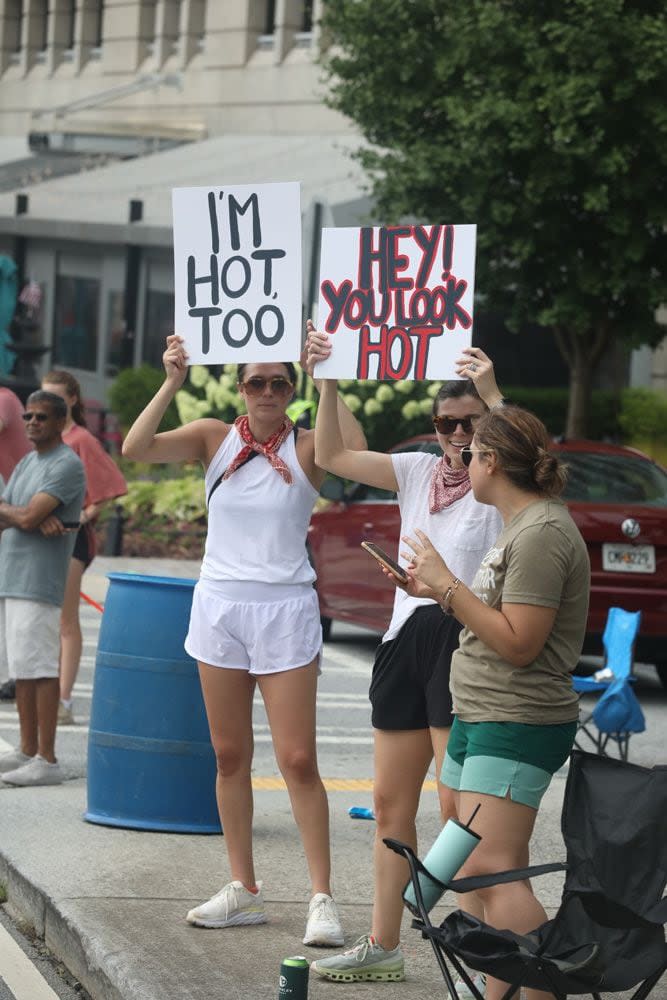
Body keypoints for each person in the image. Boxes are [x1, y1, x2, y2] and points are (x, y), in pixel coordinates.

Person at [121, 323, 366, 946]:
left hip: (285, 609)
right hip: (221, 606)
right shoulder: (213, 438)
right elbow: (135, 447)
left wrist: (327, 377)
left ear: (290, 389)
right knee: (229, 755)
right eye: (256, 381)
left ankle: (322, 897)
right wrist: (172, 380)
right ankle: (245, 889)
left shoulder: (311, 444)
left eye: (279, 382)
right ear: (240, 386)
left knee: (299, 759)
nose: (267, 391)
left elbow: (355, 454)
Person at [310, 340, 504, 985]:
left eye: (470, 424)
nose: (456, 435)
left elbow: (540, 459)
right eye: (446, 424)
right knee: (392, 804)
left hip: (463, 637)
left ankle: (482, 954)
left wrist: (493, 394)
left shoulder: (503, 478)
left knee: (458, 809)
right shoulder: (420, 471)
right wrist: (330, 378)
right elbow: (333, 455)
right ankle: (383, 944)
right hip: (403, 636)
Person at [398, 405, 590, 1000]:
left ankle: (552, 982)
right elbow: (497, 621)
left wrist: (448, 587)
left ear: (493, 462)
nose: (460, 459)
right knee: (467, 865)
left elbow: (520, 644)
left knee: (487, 864)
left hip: (516, 719)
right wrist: (436, 587)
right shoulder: (522, 524)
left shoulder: (541, 535)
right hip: (481, 713)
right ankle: (502, 982)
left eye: (472, 451)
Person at [0, 391, 85, 786]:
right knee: (22, 672)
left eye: (41, 417)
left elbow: (31, 514)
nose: (32, 422)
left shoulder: (66, 464)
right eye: (29, 416)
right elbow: (20, 515)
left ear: (58, 421)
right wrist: (25, 516)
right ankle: (26, 749)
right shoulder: (28, 462)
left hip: (40, 581)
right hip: (14, 578)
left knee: (40, 671)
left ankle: (47, 759)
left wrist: (28, 516)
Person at [41, 370, 127, 725]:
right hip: (42, 537)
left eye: (56, 397)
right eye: (43, 396)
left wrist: (81, 516)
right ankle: (47, 695)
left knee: (65, 618)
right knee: (45, 618)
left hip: (73, 538)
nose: (47, 404)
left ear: (73, 400)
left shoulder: (80, 439)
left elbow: (109, 488)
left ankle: (63, 700)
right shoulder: (43, 439)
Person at [0, 385, 32, 702]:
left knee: (8, 596)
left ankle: (13, 677)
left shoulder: (5, 399)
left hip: (16, 501)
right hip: (10, 503)